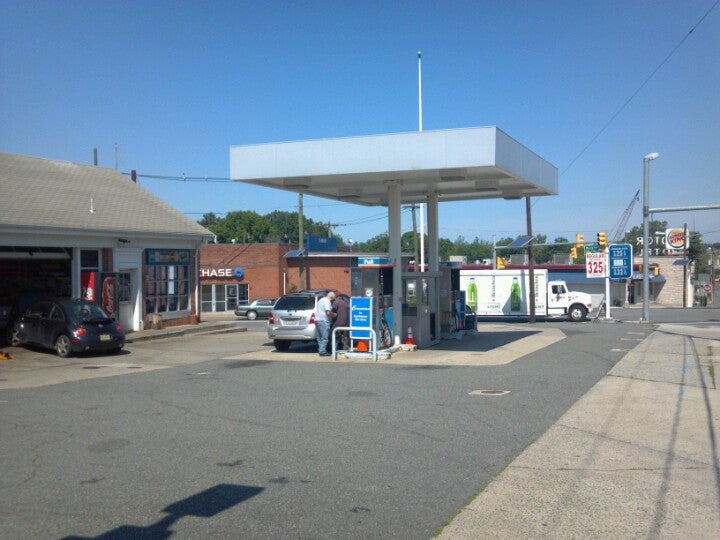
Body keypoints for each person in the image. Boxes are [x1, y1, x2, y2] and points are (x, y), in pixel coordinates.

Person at [315, 291, 336, 356]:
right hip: (324, 321)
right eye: (333, 299)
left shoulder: (320, 300)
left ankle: (320, 350)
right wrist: (334, 314)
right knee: (324, 338)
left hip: (317, 320)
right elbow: (328, 312)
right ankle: (322, 351)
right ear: (331, 297)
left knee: (319, 338)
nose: (332, 301)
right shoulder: (327, 301)